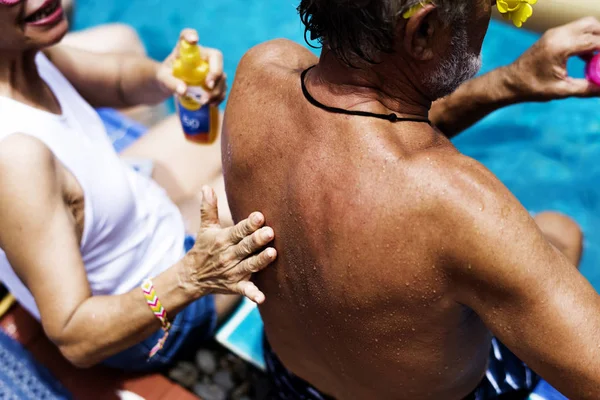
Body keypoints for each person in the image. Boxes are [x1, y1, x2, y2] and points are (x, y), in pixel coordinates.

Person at [223, 0, 600, 399]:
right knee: (561, 232)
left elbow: (363, 134)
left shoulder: (259, 72)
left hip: (294, 383)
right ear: (423, 31)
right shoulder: (461, 204)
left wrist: (509, 81)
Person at [0, 0, 277, 371]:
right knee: (272, 186)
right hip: (152, 317)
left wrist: (168, 75)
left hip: (132, 210)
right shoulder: (16, 161)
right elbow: (76, 337)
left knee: (237, 133)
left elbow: (115, 81)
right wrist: (193, 276)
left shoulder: (26, 55)